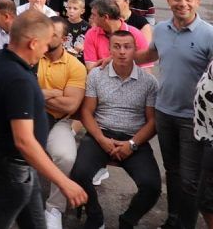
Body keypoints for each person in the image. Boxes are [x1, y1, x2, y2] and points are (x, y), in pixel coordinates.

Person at [0, 11, 87, 225]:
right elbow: (24, 141)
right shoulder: (20, 80)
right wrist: (64, 182)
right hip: (9, 174)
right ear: (33, 43)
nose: (47, 49)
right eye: (46, 43)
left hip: (18, 170)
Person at [134, 0, 213, 229]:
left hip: (194, 120)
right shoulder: (161, 30)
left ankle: (184, 225)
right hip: (164, 112)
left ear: (197, 1)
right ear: (168, 1)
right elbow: (151, 55)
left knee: (190, 181)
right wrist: (116, 57)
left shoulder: (209, 35)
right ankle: (173, 220)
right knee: (173, 172)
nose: (183, 3)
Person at [69, 31, 161, 229]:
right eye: (116, 46)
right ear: (109, 50)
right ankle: (95, 216)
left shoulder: (149, 82)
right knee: (79, 173)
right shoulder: (96, 75)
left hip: (134, 138)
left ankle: (127, 220)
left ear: (135, 50)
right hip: (101, 133)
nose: (122, 52)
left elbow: (153, 122)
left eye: (127, 47)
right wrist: (101, 139)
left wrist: (132, 144)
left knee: (152, 186)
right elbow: (86, 112)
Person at [37, 15, 87, 229]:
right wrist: (50, 93)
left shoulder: (75, 66)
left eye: (54, 35)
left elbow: (70, 106)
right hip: (29, 116)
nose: (47, 38)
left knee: (65, 156)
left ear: (65, 39)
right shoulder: (32, 56)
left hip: (60, 122)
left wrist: (35, 94)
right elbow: (18, 92)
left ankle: (54, 208)